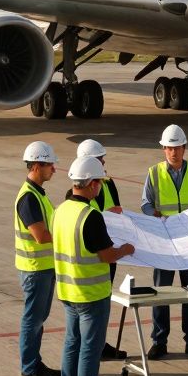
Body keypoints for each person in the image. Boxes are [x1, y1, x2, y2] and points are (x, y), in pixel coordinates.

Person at [54, 156, 136, 376]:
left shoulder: (60, 210)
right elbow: (107, 255)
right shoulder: (90, 216)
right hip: (91, 294)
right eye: (99, 182)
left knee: (72, 345)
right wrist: (125, 249)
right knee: (90, 349)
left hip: (67, 290)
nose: (100, 187)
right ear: (91, 184)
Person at [139, 123, 188, 360]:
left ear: (184, 148)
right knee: (161, 293)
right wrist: (155, 215)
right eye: (169, 148)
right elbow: (145, 204)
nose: (173, 152)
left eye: (177, 147)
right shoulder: (153, 173)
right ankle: (159, 341)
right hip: (165, 244)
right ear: (163, 149)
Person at [71, 139, 126, 360]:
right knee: (86, 311)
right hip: (91, 259)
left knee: (104, 302)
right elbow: (85, 219)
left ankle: (100, 343)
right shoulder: (73, 193)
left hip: (108, 249)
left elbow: (117, 209)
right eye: (99, 160)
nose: (103, 164)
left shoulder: (108, 182)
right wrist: (107, 214)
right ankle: (89, 346)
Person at [15, 141, 62, 376]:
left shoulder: (38, 194)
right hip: (35, 269)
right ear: (36, 166)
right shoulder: (28, 198)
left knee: (38, 319)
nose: (53, 169)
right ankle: (29, 370)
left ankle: (35, 362)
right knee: (32, 320)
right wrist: (68, 235)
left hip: (43, 267)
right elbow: (41, 236)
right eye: (49, 165)